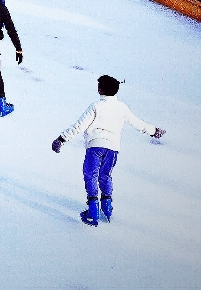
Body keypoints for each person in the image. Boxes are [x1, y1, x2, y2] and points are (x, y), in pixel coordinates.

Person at [51, 75, 166, 227]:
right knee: (105, 175)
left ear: (100, 90)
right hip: (113, 149)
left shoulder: (96, 106)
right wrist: (153, 131)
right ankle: (107, 205)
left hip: (95, 147)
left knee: (90, 174)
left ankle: (93, 209)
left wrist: (61, 139)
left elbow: (79, 125)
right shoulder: (122, 107)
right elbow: (137, 123)